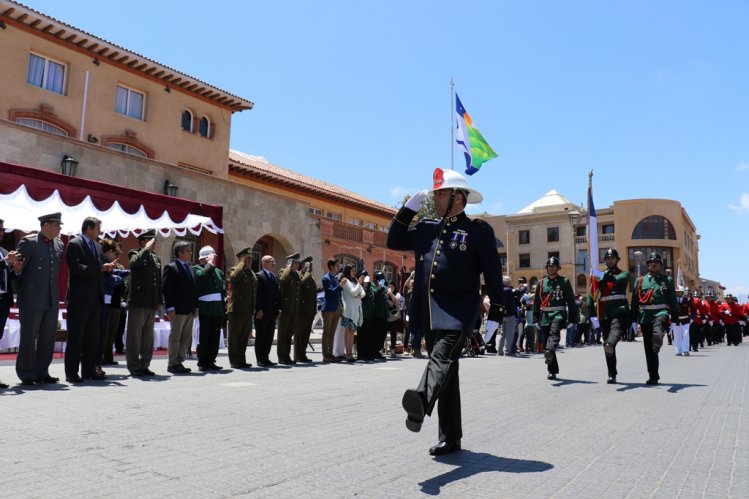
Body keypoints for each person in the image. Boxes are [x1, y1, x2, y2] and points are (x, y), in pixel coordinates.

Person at [387, 167, 505, 456]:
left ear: (457, 197)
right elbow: (393, 241)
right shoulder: (427, 228)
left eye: (440, 194)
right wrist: (406, 211)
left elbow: (492, 273)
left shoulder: (478, 232)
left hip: (459, 314)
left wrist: (497, 314)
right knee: (448, 374)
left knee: (441, 358)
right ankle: (451, 438)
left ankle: (420, 402)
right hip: (429, 312)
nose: (435, 199)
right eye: (436, 193)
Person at [14, 212, 65, 386]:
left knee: (47, 337)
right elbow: (17, 271)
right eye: (57, 225)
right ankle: (26, 373)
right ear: (46, 225)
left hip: (51, 298)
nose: (59, 228)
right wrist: (18, 270)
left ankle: (42, 371)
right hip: (31, 298)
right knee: (29, 337)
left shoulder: (59, 244)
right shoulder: (29, 243)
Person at [64, 217, 114, 383]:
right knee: (76, 337)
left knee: (92, 338)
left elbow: (97, 269)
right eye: (98, 228)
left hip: (95, 298)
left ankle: (89, 370)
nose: (100, 231)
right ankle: (71, 372)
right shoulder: (74, 244)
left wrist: (106, 269)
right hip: (79, 299)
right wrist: (100, 268)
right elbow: (77, 268)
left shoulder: (97, 246)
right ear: (88, 229)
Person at [630, 252, 679, 385]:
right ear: (647, 265)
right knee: (649, 349)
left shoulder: (667, 280)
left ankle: (658, 336)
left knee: (658, 326)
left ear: (660, 265)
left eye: (656, 262)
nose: (653, 264)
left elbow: (673, 301)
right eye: (651, 262)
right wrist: (633, 320)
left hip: (661, 312)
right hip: (645, 316)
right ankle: (653, 376)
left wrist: (675, 319)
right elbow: (635, 302)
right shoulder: (640, 281)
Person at [533, 256, 579, 380]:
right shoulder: (541, 283)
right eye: (549, 266)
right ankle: (552, 371)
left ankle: (548, 351)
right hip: (545, 316)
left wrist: (572, 318)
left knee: (553, 335)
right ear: (547, 268)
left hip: (559, 314)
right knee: (548, 340)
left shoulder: (564, 281)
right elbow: (537, 302)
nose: (551, 268)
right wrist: (535, 318)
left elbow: (570, 300)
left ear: (557, 268)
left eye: (553, 266)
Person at [590, 248, 630, 384]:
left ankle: (610, 343)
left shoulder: (623, 274)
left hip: (619, 310)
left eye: (612, 258)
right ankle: (612, 373)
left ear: (617, 260)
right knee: (607, 345)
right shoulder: (600, 276)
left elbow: (616, 280)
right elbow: (591, 294)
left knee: (614, 333)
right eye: (607, 258)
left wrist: (600, 276)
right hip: (604, 313)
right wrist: (592, 315)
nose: (610, 260)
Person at [126, 230, 162, 377]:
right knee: (135, 336)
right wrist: (146, 249)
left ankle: (145, 364)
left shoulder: (156, 258)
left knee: (148, 337)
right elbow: (134, 264)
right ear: (143, 241)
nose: (154, 244)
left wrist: (159, 301)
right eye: (151, 241)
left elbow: (157, 282)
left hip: (151, 302)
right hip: (138, 302)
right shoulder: (134, 253)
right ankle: (134, 366)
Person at [162, 241, 198, 375]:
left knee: (186, 336)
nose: (190, 253)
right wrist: (170, 307)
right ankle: (172, 363)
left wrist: (196, 307)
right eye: (188, 250)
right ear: (180, 253)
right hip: (177, 309)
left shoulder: (190, 268)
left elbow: (194, 290)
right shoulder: (171, 268)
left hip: (189, 309)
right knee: (176, 336)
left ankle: (180, 361)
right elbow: (167, 289)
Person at [194, 245, 225, 371]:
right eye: (212, 257)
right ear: (205, 258)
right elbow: (201, 277)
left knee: (214, 336)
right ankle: (202, 362)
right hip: (205, 308)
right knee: (204, 336)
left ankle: (211, 360)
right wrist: (209, 264)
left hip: (217, 308)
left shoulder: (217, 271)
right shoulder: (197, 269)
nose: (214, 260)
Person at [226, 247, 257, 368]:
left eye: (250, 259)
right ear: (241, 258)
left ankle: (241, 359)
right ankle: (234, 361)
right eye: (247, 258)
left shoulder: (251, 273)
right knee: (235, 336)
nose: (249, 261)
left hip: (248, 309)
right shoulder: (234, 269)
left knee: (244, 336)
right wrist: (241, 263)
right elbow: (233, 277)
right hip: (237, 309)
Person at [0, 218, 18, 388]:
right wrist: (6, 261)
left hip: (3, 301)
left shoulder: (3, 250)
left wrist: (16, 268)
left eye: (2, 230)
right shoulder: (4, 255)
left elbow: (7, 276)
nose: (1, 233)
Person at [255, 255, 281, 367]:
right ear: (264, 263)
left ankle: (266, 357)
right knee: (261, 335)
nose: (274, 263)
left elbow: (277, 294)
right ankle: (260, 359)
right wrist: (259, 309)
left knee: (269, 336)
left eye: (274, 261)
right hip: (263, 311)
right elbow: (258, 295)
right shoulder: (259, 276)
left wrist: (279, 308)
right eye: (271, 261)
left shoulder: (274, 276)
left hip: (272, 311)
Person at [277, 253, 302, 365]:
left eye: (297, 263)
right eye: (295, 263)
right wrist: (288, 268)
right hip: (285, 308)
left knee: (289, 333)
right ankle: (282, 357)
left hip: (294, 309)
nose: (297, 265)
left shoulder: (296, 275)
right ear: (290, 263)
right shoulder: (284, 271)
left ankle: (287, 355)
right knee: (283, 333)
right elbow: (282, 281)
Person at [339, 264, 365, 362]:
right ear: (348, 271)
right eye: (353, 270)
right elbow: (353, 292)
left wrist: (358, 294)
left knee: (352, 331)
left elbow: (363, 293)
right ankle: (348, 353)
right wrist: (359, 284)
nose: (355, 272)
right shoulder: (346, 281)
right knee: (348, 331)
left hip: (355, 310)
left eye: (355, 270)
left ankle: (350, 354)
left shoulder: (355, 281)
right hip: (349, 309)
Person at [321, 258, 343, 363]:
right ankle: (326, 355)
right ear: (331, 266)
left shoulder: (335, 278)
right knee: (327, 332)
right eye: (337, 265)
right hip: (328, 309)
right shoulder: (326, 278)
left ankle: (330, 353)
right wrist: (340, 285)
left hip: (336, 308)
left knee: (332, 332)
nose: (339, 267)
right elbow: (331, 292)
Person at [296, 256, 317, 363]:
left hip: (310, 310)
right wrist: (306, 273)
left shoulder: (310, 277)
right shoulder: (300, 275)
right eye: (306, 265)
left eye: (310, 265)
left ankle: (303, 354)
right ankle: (297, 355)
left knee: (306, 334)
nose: (309, 267)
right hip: (302, 310)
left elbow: (313, 294)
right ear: (302, 265)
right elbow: (300, 285)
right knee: (299, 334)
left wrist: (314, 310)